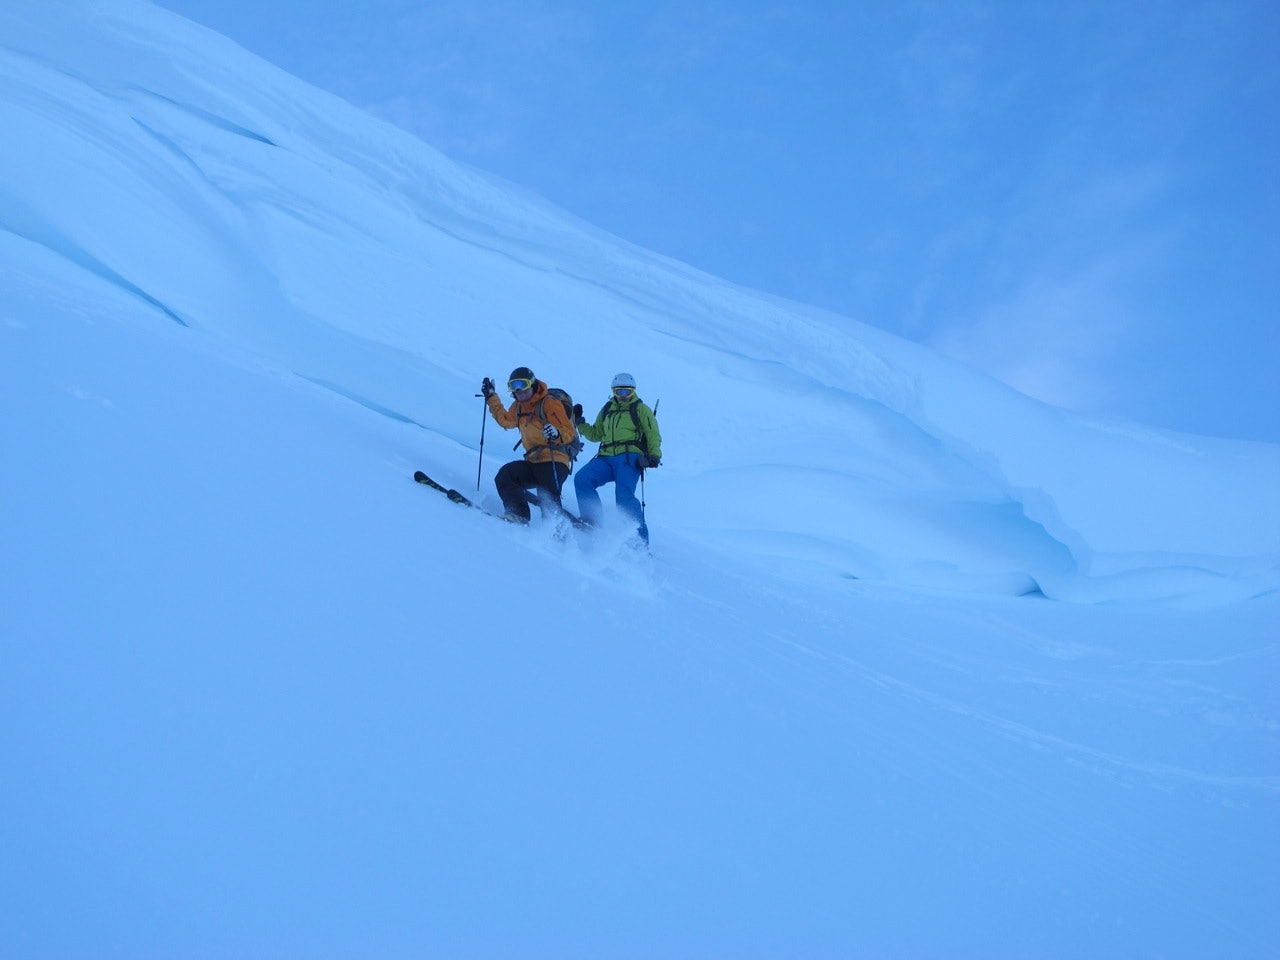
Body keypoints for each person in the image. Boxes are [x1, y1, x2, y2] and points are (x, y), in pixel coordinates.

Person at [480, 366, 577, 523]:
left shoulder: (549, 404)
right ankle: (518, 515)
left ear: (532, 384)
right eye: (514, 387)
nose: (519, 391)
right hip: (533, 461)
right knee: (506, 476)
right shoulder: (518, 406)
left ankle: (556, 534)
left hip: (555, 459)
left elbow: (568, 432)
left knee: (546, 492)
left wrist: (556, 433)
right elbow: (505, 420)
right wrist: (491, 396)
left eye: (523, 386)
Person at [573, 372, 662, 543]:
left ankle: (639, 541)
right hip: (605, 457)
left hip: (629, 458)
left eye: (626, 392)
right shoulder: (607, 409)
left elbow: (653, 434)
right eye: (618, 392)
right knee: (582, 479)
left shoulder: (641, 409)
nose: (622, 396)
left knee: (623, 496)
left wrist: (653, 456)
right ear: (613, 391)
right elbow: (596, 434)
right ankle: (592, 521)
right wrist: (580, 423)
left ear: (633, 391)